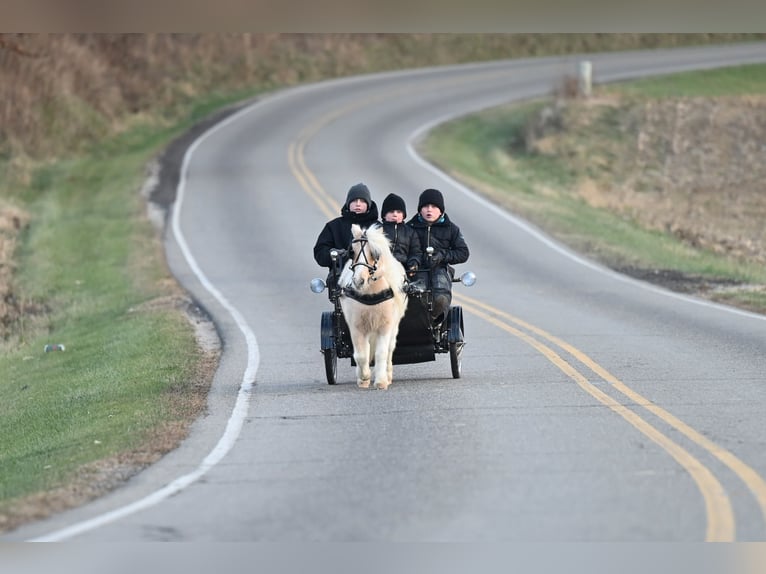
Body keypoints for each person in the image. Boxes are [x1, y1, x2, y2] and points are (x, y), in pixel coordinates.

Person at [407, 188, 469, 326]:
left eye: (434, 206)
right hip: (416, 270)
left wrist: (442, 256)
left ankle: (435, 323)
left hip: (440, 269)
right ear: (419, 209)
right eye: (425, 206)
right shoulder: (409, 227)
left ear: (441, 210)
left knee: (441, 296)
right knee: (415, 295)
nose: (429, 210)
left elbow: (463, 253)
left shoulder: (451, 229)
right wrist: (414, 261)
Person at [313, 183, 380, 291]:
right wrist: (336, 255)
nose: (358, 204)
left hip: (371, 278)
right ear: (348, 203)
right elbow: (320, 252)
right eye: (354, 201)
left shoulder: (377, 227)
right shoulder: (334, 226)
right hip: (342, 278)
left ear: (368, 204)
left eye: (362, 201)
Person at [379, 192, 422, 278]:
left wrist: (413, 263)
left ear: (403, 215)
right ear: (384, 215)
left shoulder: (410, 232)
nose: (395, 214)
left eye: (398, 212)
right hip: (380, 267)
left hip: (402, 269)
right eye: (391, 212)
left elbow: (416, 252)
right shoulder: (378, 229)